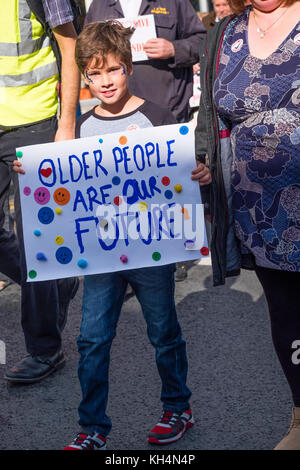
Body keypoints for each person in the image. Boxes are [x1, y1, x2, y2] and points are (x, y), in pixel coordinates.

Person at [30, 19, 210, 450]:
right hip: (101, 256)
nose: (105, 81)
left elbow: (182, 173)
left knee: (163, 330)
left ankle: (176, 408)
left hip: (150, 252)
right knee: (92, 338)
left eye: (112, 70)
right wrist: (31, 172)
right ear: (85, 78)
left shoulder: (158, 117)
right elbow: (57, 186)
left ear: (128, 67)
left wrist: (198, 171)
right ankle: (92, 427)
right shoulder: (80, 131)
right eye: (94, 73)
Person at [195, 0, 300, 450]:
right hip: (260, 212)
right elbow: (209, 119)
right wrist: (202, 164)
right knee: (286, 313)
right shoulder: (224, 32)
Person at [85, 0, 206, 282]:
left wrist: (174, 49)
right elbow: (86, 50)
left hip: (165, 115)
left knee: (166, 191)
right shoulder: (100, 5)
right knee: (119, 193)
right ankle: (122, 263)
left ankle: (171, 258)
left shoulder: (173, 1)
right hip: (112, 121)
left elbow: (204, 40)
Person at [1, 0, 80, 384]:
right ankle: (58, 284)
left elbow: (70, 47)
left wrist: (66, 124)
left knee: (36, 237)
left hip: (35, 123)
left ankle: (45, 349)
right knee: (35, 258)